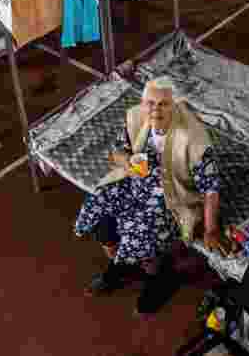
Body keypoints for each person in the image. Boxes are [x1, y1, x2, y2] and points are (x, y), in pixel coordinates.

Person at [75, 77, 228, 315]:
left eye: (163, 104)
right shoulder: (136, 117)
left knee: (142, 229)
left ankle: (158, 277)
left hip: (172, 196)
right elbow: (115, 152)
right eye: (150, 103)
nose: (155, 110)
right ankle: (122, 263)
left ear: (176, 106)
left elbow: (210, 188)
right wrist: (126, 161)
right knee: (97, 209)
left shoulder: (195, 139)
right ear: (143, 103)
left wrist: (210, 229)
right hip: (133, 182)